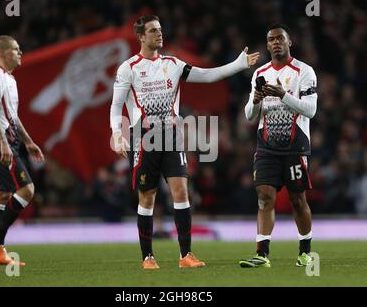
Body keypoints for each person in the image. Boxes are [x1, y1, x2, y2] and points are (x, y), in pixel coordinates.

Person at [110, 15, 260, 269]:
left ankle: (185, 255)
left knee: (181, 191)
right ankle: (148, 257)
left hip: (171, 135)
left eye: (160, 29)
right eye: (153, 30)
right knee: (147, 197)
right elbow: (115, 107)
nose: (159, 33)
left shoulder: (173, 64)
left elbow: (208, 75)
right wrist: (116, 133)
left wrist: (238, 64)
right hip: (144, 137)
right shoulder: (129, 68)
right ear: (141, 37)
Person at [239, 24, 317, 268]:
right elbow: (250, 116)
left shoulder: (304, 71)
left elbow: (311, 110)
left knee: (297, 199)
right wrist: (254, 100)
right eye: (271, 39)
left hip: (295, 147)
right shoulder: (260, 72)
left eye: (280, 39)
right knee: (264, 196)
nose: (275, 43)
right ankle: (262, 254)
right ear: (267, 45)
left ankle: (305, 252)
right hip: (266, 147)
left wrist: (284, 95)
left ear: (289, 42)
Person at [0, 35, 45, 266]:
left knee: (2, 196)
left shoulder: (10, 80)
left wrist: (28, 141)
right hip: (0, 144)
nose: (20, 53)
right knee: (27, 190)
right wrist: (4, 143)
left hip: (7, 142)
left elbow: (13, 118)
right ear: (3, 53)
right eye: (16, 49)